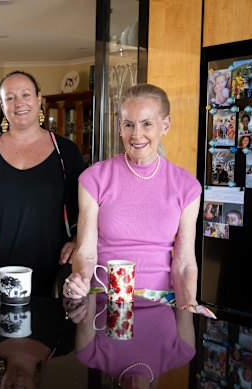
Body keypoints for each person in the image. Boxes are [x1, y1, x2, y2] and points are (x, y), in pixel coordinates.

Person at [63, 84, 202, 313]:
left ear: (165, 125)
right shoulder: (93, 178)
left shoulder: (186, 186)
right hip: (103, 303)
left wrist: (189, 307)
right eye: (129, 125)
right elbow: (86, 252)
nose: (136, 135)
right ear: (120, 127)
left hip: (161, 304)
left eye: (147, 123)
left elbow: (185, 262)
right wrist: (80, 281)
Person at [0, 70, 86, 297]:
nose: (19, 103)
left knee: (46, 331)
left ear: (39, 98)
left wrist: (76, 240)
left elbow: (85, 209)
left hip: (52, 270)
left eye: (26, 95)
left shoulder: (66, 152)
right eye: (10, 98)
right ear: (3, 106)